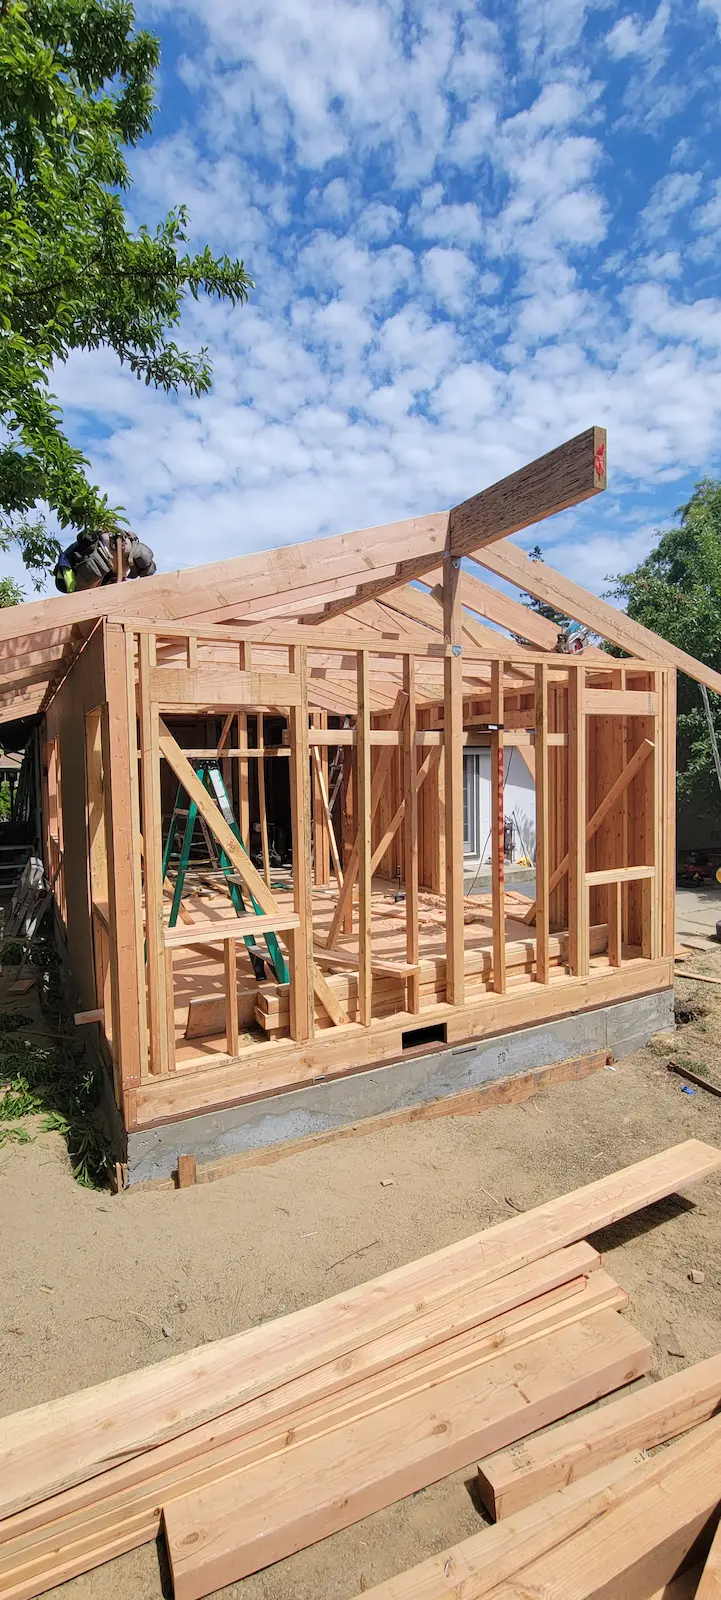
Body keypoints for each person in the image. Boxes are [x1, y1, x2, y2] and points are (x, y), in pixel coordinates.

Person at [54, 530, 156, 592]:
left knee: (88, 595)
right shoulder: (72, 559)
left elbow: (75, 594)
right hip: (69, 570)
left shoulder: (130, 547)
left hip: (102, 555)